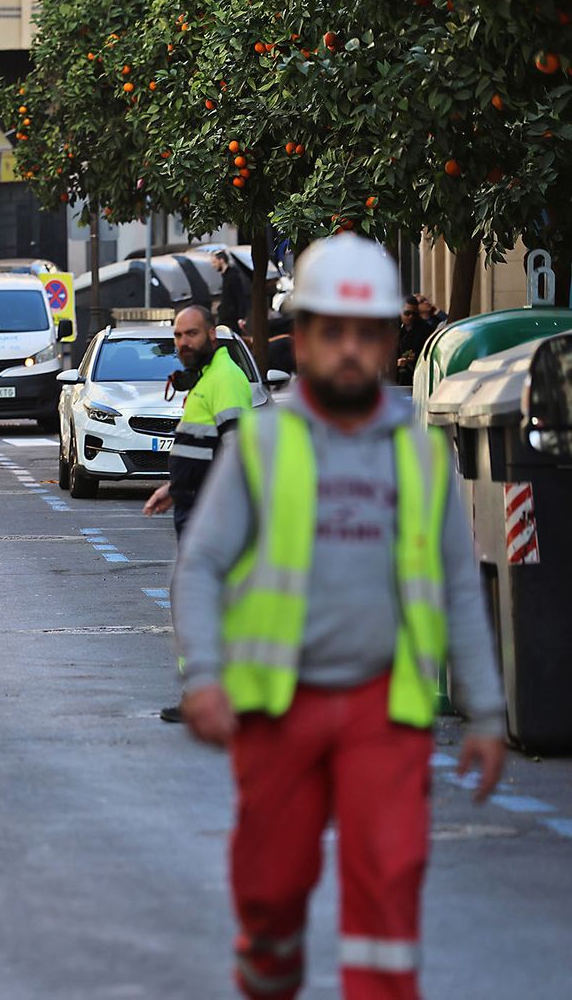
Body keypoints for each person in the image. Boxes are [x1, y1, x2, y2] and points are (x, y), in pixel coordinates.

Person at [172, 234, 505, 1000]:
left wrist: (486, 711)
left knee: (390, 880)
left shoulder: (421, 453)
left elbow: (460, 583)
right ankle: (269, 957)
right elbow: (202, 565)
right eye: (333, 330)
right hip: (277, 709)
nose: (350, 349)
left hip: (384, 710)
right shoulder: (261, 443)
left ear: (392, 340)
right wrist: (205, 675)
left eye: (368, 332)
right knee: (271, 881)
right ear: (305, 335)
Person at [143, 305, 253, 723]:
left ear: (212, 333)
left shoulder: (225, 379)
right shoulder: (209, 377)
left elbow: (237, 452)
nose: (182, 343)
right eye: (177, 336)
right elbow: (203, 449)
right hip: (195, 502)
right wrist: (175, 487)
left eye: (190, 334)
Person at [394, 295, 431, 386]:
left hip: (416, 376)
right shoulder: (392, 328)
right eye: (407, 313)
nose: (411, 317)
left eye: (414, 314)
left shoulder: (425, 329)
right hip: (395, 378)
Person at [212, 251, 251, 332]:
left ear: (221, 260)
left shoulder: (233, 277)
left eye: (215, 262)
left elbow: (240, 297)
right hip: (227, 317)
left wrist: (241, 317)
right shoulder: (226, 276)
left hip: (231, 319)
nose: (213, 265)